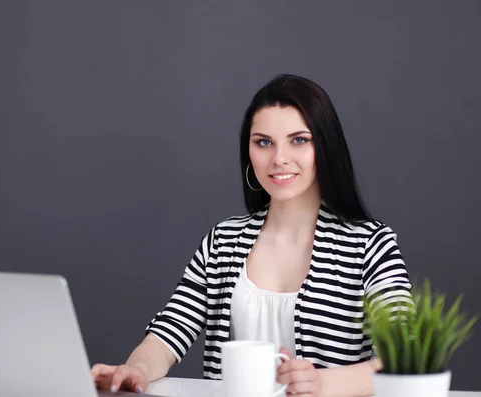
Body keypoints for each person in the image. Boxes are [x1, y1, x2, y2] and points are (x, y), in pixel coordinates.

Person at [91, 74, 411, 397]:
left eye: (299, 140)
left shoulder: (370, 246)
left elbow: (404, 360)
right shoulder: (222, 242)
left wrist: (322, 384)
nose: (279, 158)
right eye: (264, 142)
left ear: (325, 147)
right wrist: (135, 370)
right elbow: (166, 334)